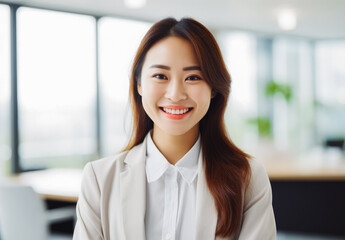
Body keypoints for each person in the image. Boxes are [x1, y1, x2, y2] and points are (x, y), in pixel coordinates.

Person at [73, 17, 276, 240]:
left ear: (213, 89)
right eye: (160, 76)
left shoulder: (247, 179)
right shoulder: (99, 179)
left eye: (193, 77)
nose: (175, 94)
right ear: (139, 84)